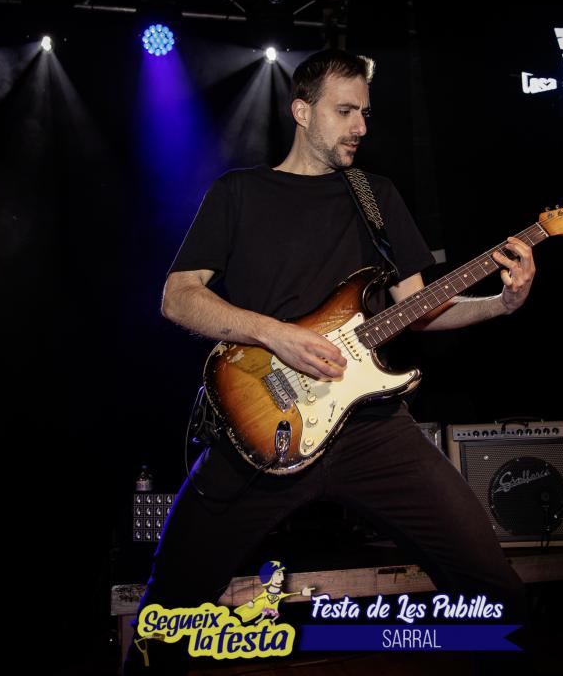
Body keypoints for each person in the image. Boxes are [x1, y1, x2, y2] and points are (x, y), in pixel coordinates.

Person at [129, 49, 536, 671]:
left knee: (494, 590)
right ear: (302, 111)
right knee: (168, 615)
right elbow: (178, 297)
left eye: (365, 113)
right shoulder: (238, 192)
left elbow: (417, 308)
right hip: (262, 425)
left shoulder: (376, 196)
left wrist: (501, 305)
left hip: (371, 430)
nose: (360, 127)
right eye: (345, 112)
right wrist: (275, 335)